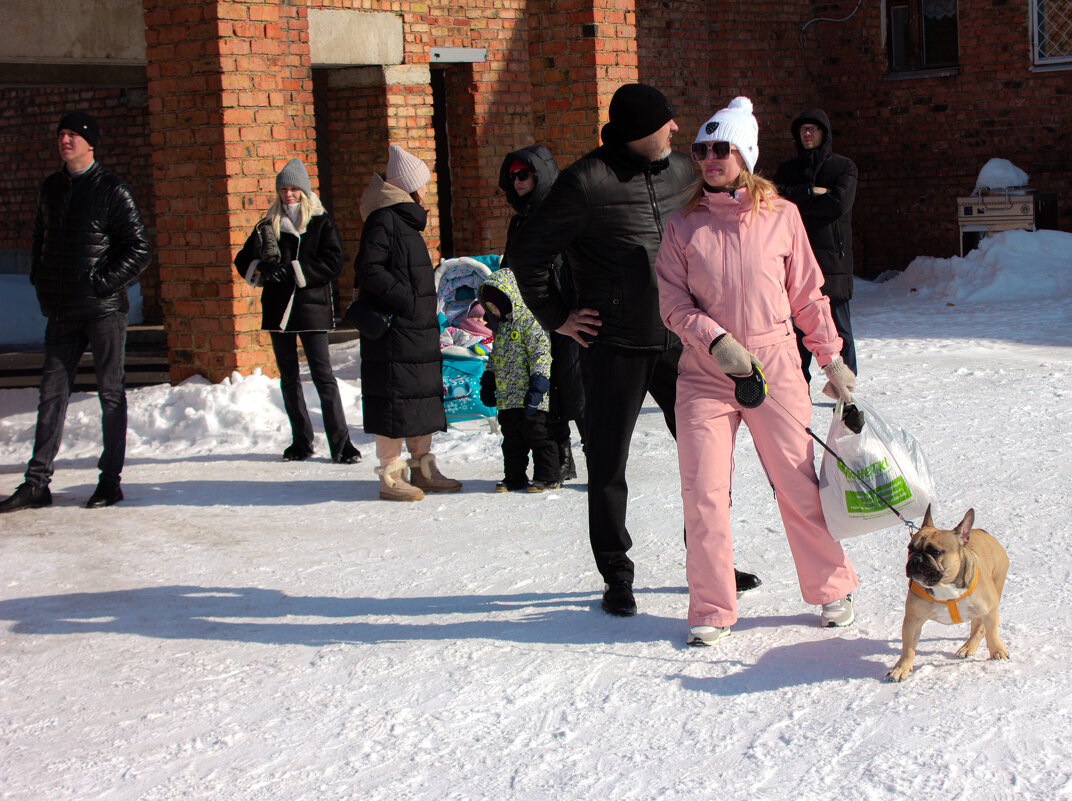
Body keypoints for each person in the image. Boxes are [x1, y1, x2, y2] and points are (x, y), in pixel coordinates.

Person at [507, 84, 760, 617]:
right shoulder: (585, 182)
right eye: (665, 123)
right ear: (639, 131)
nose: (675, 130)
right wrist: (559, 317)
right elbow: (528, 255)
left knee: (707, 462)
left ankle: (711, 563)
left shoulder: (679, 171)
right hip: (613, 346)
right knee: (608, 466)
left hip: (680, 340)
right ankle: (616, 575)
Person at [654, 97, 860, 646]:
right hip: (706, 373)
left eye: (722, 148)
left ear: (745, 153)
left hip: (774, 364)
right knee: (703, 493)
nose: (710, 158)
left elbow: (808, 295)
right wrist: (715, 341)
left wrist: (831, 357)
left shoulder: (783, 217)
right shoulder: (683, 225)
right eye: (702, 149)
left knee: (797, 483)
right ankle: (712, 607)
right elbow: (672, 304)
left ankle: (830, 586)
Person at [0, 112, 151, 514]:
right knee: (51, 394)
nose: (65, 140)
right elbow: (39, 238)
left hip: (103, 312)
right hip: (62, 312)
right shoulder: (51, 188)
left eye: (73, 135)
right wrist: (41, 279)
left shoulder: (113, 190)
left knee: (110, 394)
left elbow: (139, 249)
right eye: (61, 135)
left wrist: (100, 283)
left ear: (90, 143)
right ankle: (37, 483)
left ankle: (110, 481)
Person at [233, 157, 361, 465]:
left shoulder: (320, 221)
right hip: (278, 311)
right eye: (283, 189)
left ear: (303, 191)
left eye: (293, 189)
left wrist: (294, 271)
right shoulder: (267, 224)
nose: (288, 195)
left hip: (311, 309)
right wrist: (262, 269)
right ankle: (301, 441)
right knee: (288, 378)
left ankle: (342, 445)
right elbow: (242, 260)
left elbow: (333, 261)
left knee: (323, 376)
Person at [354, 144, 462, 501]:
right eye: (424, 184)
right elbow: (368, 270)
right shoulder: (385, 219)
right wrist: (408, 301)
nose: (427, 190)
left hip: (414, 329)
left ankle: (422, 467)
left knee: (419, 400)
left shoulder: (401, 220)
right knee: (395, 401)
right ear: (409, 186)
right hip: (396, 332)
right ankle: (390, 475)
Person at [497, 145, 584, 482]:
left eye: (524, 175)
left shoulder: (560, 212)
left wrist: (566, 307)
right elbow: (510, 268)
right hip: (530, 319)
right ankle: (561, 457)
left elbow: (569, 264)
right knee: (547, 391)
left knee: (575, 389)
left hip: (564, 312)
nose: (518, 182)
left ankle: (601, 458)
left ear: (540, 175)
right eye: (513, 176)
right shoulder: (520, 221)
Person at [773, 109, 858, 383]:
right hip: (795, 258)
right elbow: (777, 202)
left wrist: (799, 202)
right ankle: (799, 388)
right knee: (798, 330)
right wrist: (811, 192)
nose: (807, 134)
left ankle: (845, 386)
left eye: (813, 129)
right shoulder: (788, 169)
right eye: (803, 130)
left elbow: (838, 204)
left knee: (839, 328)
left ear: (824, 133)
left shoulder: (844, 167)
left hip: (833, 258)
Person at [478, 268, 559, 492]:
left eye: (494, 304)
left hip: (530, 396)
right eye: (489, 306)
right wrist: (488, 379)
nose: (491, 310)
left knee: (539, 437)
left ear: (508, 297)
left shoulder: (530, 322)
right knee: (512, 441)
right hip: (507, 399)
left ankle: (548, 476)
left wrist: (540, 383)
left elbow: (540, 353)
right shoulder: (502, 328)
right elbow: (495, 357)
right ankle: (515, 477)